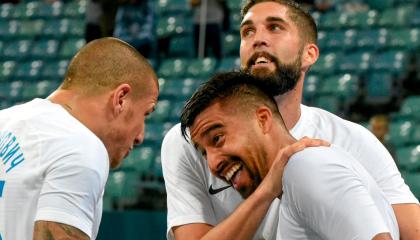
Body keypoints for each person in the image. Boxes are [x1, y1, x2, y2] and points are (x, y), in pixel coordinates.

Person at [161, 0, 420, 239]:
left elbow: (412, 231)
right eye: (247, 31)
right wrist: (269, 189)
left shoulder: (346, 142)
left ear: (309, 54)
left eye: (274, 27)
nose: (258, 39)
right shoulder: (189, 140)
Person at [180, 71, 399, 239]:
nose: (212, 163)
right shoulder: (292, 181)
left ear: (263, 120)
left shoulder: (307, 167)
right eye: (204, 153)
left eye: (217, 138)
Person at [0, 37, 159, 240]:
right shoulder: (81, 146)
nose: (140, 137)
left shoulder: (3, 120)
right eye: (145, 114)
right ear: (121, 99)